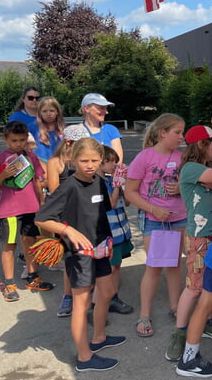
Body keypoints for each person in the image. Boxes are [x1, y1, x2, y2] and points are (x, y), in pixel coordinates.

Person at [35, 138, 126, 372]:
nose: (89, 165)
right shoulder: (68, 186)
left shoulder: (98, 180)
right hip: (79, 254)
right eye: (84, 160)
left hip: (101, 248)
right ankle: (84, 358)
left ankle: (99, 338)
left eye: (95, 160)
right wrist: (68, 230)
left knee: (106, 292)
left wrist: (117, 184)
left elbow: (105, 209)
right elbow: (42, 218)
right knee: (82, 303)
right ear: (73, 160)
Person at [168, 125, 212, 376]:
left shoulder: (205, 172)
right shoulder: (191, 169)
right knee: (195, 287)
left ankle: (204, 328)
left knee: (210, 289)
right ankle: (180, 333)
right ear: (200, 145)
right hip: (201, 238)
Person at [126, 113, 187, 337]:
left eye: (182, 132)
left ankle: (175, 307)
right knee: (154, 267)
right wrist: (153, 209)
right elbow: (130, 193)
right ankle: (144, 314)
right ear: (163, 133)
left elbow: (190, 185)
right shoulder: (145, 157)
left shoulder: (182, 158)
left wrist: (181, 187)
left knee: (174, 264)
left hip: (179, 217)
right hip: (154, 220)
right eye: (177, 132)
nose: (181, 136)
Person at [0, 121, 53, 302]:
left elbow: (38, 179)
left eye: (21, 140)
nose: (18, 144)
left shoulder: (30, 157)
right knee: (10, 245)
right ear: (5, 139)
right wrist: (4, 175)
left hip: (30, 207)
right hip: (9, 209)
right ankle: (10, 283)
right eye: (14, 141)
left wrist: (42, 201)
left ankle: (32, 277)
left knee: (30, 242)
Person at [46, 124, 91, 317]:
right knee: (71, 258)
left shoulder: (84, 161)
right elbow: (55, 191)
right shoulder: (56, 162)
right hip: (66, 218)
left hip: (87, 215)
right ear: (69, 142)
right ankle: (68, 295)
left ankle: (88, 295)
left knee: (89, 256)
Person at [98, 145, 134, 315]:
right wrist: (117, 185)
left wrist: (122, 183)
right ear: (100, 162)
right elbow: (111, 204)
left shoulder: (110, 181)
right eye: (109, 161)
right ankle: (104, 300)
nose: (113, 165)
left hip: (121, 232)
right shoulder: (99, 183)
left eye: (115, 161)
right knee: (109, 268)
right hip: (109, 233)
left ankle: (114, 296)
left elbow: (127, 202)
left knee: (117, 266)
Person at [77, 93, 123, 161]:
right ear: (87, 108)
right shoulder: (75, 131)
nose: (106, 112)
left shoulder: (111, 130)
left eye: (106, 108)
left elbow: (118, 160)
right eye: (101, 108)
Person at [29, 96, 65, 167]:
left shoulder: (62, 129)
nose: (48, 114)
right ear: (40, 113)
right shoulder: (32, 128)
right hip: (39, 166)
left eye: (52, 111)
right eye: (44, 111)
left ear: (57, 112)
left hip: (58, 165)